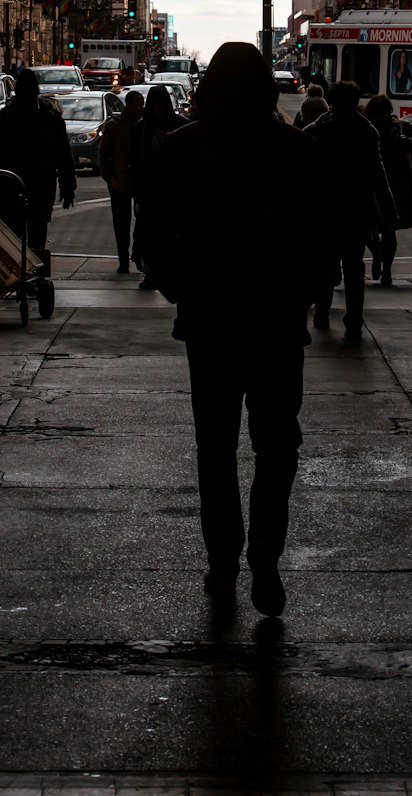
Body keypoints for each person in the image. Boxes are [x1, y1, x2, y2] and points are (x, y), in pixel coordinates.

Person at [141, 42, 333, 618]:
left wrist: (183, 290)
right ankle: (266, 559)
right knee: (278, 445)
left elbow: (152, 236)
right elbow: (320, 239)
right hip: (275, 323)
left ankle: (223, 560)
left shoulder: (181, 149)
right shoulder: (298, 151)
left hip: (210, 321)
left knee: (216, 447)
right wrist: (302, 295)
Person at [303, 81, 397, 339]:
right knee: (354, 267)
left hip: (325, 211)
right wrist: (388, 213)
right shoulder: (366, 132)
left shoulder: (315, 131)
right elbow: (379, 176)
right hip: (357, 209)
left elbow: (304, 179)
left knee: (324, 265)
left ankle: (322, 313)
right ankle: (354, 319)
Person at [0, 69, 76, 256]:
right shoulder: (46, 118)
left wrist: (68, 186)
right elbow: (64, 156)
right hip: (18, 186)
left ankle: (33, 279)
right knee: (15, 240)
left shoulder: (44, 119)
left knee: (32, 240)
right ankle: (27, 278)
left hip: (31, 187)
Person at [362, 94, 412, 287]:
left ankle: (386, 269)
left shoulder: (401, 127)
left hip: (395, 186)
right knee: (368, 230)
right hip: (373, 185)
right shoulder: (366, 128)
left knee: (388, 230)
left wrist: (410, 143)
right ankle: (378, 255)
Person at [131, 84, 181, 291]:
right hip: (149, 191)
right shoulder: (140, 129)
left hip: (172, 191)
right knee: (149, 236)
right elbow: (135, 161)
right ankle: (151, 273)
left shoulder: (180, 127)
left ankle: (165, 272)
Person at [98, 89, 145, 274]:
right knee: (121, 223)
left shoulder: (143, 125)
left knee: (142, 221)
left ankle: (137, 254)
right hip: (119, 181)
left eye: (142, 104)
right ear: (129, 105)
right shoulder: (114, 126)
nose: (141, 108)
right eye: (138, 104)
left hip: (140, 182)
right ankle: (123, 260)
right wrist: (107, 175)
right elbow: (103, 153)